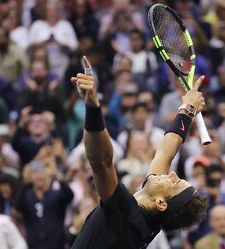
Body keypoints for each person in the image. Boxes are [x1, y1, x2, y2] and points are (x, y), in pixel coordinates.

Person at [70, 56, 208, 248]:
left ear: (161, 203)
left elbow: (101, 161)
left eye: (175, 182)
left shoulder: (128, 219)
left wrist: (92, 105)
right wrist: (188, 108)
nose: (173, 174)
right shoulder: (149, 216)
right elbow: (166, 152)